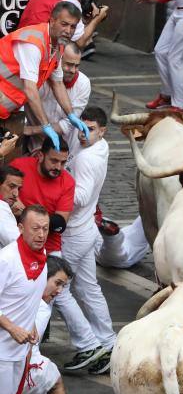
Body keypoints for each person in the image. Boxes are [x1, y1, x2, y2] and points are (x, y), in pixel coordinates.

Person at [12, 137, 107, 373]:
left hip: (48, 246)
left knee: (57, 295)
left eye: (63, 162)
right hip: (19, 241)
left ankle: (88, 345)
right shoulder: (22, 167)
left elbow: (60, 223)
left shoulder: (67, 182)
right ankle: (89, 345)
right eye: (54, 160)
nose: (58, 167)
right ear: (40, 156)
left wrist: (27, 213)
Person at [59, 106, 116, 375]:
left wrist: (56, 189)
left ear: (102, 131)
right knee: (88, 288)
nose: (83, 133)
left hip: (74, 234)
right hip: (86, 232)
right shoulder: (100, 147)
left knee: (56, 289)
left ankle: (88, 344)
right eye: (81, 127)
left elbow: (79, 197)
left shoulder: (86, 159)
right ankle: (108, 343)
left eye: (90, 129)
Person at [22, 256, 93, 394]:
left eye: (63, 285)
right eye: (57, 283)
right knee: (55, 381)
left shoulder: (23, 293)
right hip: (18, 367)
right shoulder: (41, 308)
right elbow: (24, 346)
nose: (60, 290)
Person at [0, 205, 49, 394]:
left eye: (44, 229)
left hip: (19, 354)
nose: (41, 234)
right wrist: (12, 328)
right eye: (35, 228)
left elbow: (25, 303)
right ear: (20, 228)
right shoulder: (6, 259)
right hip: (2, 354)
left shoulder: (41, 261)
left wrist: (29, 326)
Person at [0, 1, 90, 151]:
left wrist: (71, 115)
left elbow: (57, 83)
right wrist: (46, 125)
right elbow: (30, 89)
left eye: (73, 26)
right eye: (64, 24)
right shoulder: (33, 43)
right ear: (52, 20)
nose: (68, 30)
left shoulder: (58, 45)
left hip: (6, 111)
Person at [24, 42, 91, 152]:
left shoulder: (83, 83)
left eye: (77, 65)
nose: (73, 70)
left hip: (66, 149)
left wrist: (31, 130)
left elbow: (66, 125)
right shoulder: (38, 77)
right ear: (58, 60)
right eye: (69, 64)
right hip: (35, 147)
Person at [0, 165, 25, 248]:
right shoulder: (1, 209)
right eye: (11, 186)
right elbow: (19, 245)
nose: (16, 194)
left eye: (19, 189)